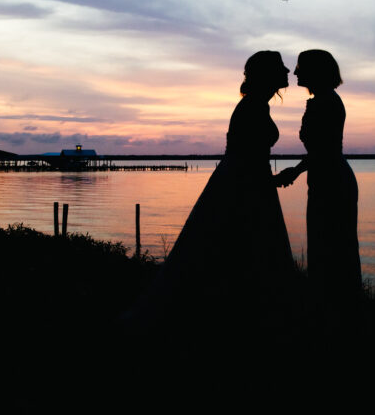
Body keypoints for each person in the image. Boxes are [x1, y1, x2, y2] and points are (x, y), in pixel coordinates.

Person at [126, 51, 298, 330]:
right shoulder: (251, 108)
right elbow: (246, 163)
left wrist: (272, 181)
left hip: (247, 184)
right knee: (236, 252)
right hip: (241, 189)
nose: (288, 71)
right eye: (280, 68)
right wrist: (271, 182)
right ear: (266, 74)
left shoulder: (258, 106)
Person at [275, 49, 361, 313]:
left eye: (301, 67)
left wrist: (295, 171)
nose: (297, 72)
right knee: (329, 244)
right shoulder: (324, 100)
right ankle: (333, 305)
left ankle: (333, 308)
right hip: (326, 177)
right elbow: (320, 152)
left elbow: (324, 150)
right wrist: (300, 170)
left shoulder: (326, 102)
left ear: (316, 70)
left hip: (332, 181)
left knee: (332, 245)